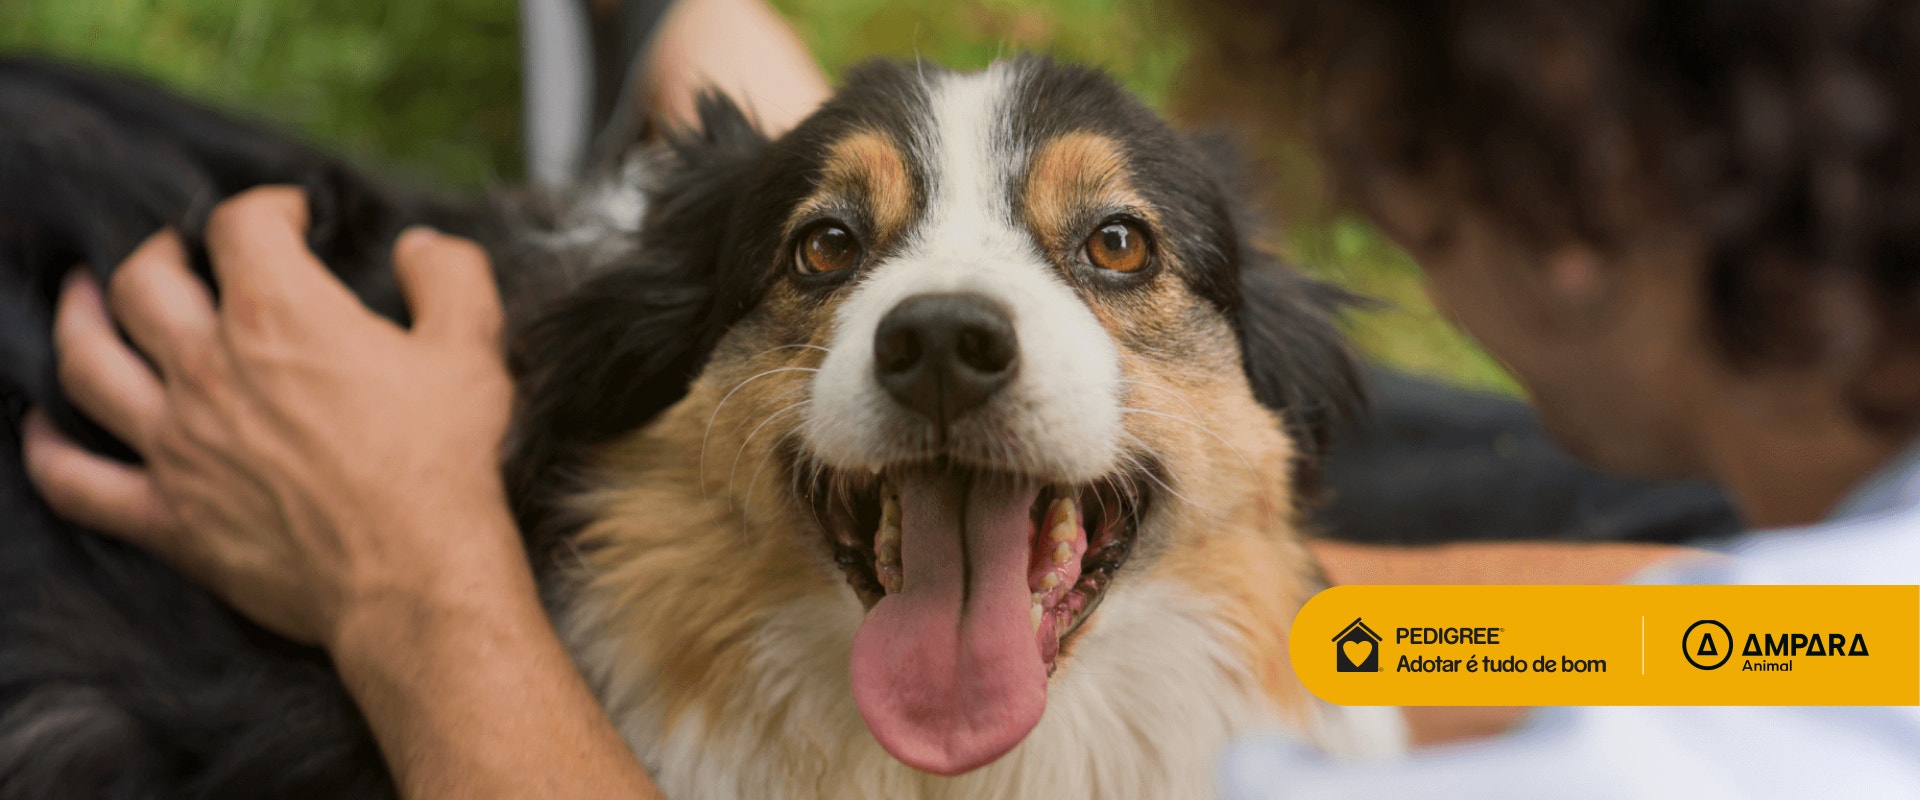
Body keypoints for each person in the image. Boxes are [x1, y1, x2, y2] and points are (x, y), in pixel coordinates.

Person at [22, 0, 1920, 797]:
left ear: (1583, 206)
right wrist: (1309, 629)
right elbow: (1735, 637)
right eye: (838, 257)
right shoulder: (1858, 625)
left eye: (1406, 173)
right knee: (1627, 511)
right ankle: (742, 142)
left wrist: (408, 574)